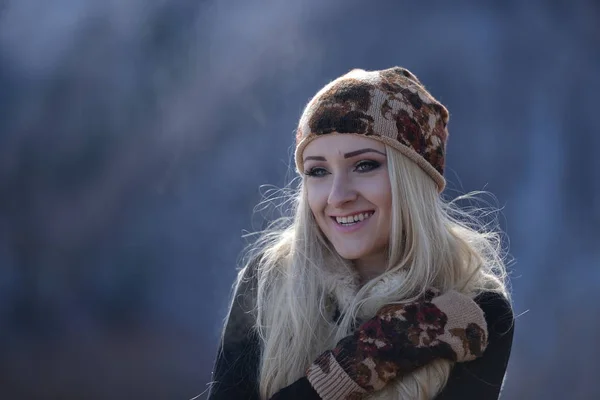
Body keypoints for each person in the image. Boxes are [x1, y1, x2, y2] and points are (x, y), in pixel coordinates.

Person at [207, 66, 514, 400]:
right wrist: (365, 360)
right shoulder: (268, 282)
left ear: (413, 179)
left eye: (365, 165)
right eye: (318, 171)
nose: (338, 196)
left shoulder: (475, 305)